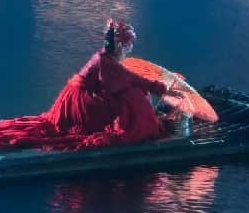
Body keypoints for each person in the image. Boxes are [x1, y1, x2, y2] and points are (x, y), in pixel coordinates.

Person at [46, 19, 179, 145]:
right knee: (134, 95)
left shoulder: (105, 56)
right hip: (78, 104)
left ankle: (144, 121)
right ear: (120, 45)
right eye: (128, 46)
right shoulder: (106, 61)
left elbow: (125, 80)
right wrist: (162, 88)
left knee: (131, 91)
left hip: (84, 96)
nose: (129, 50)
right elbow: (133, 79)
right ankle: (141, 127)